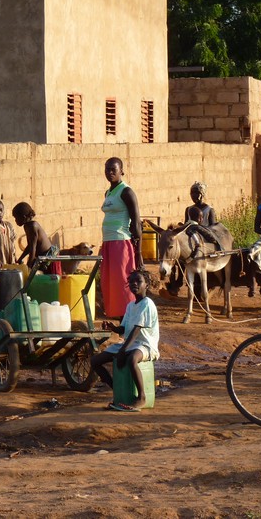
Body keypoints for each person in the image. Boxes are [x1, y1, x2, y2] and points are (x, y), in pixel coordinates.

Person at [91, 270, 160, 412]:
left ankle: (141, 397)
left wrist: (122, 351)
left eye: (138, 281)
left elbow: (137, 330)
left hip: (145, 345)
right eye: (131, 281)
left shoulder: (147, 303)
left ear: (146, 285)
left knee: (132, 359)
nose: (134, 283)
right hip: (130, 344)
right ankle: (118, 391)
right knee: (95, 361)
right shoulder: (131, 305)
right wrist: (114, 328)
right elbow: (125, 329)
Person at [100, 157, 144, 318]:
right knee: (109, 283)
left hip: (121, 243)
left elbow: (137, 224)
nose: (110, 172)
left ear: (122, 171)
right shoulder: (108, 192)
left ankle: (130, 318)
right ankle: (117, 318)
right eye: (107, 169)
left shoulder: (126, 192)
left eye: (113, 169)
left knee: (123, 284)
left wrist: (138, 253)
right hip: (108, 243)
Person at [12, 201, 61, 275]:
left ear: (24, 217)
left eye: (16, 218)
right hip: (42, 258)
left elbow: (33, 249)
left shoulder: (33, 226)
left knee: (50, 282)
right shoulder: (26, 226)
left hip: (49, 257)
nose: (15, 221)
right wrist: (20, 259)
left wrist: (29, 267)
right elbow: (29, 246)